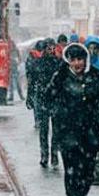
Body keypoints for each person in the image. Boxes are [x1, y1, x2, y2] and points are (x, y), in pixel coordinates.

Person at [47, 43, 99, 196]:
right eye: (73, 60)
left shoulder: (95, 75)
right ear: (68, 61)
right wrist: (58, 112)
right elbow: (49, 97)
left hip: (89, 132)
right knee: (71, 172)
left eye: (80, 59)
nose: (77, 63)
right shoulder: (61, 77)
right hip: (68, 132)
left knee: (88, 172)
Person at [30, 38, 62, 167]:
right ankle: (44, 154)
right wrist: (30, 97)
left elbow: (63, 82)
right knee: (43, 129)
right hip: (42, 98)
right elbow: (32, 81)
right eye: (49, 47)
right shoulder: (38, 63)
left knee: (56, 129)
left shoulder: (59, 63)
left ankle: (54, 154)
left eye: (53, 47)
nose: (51, 50)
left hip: (55, 99)